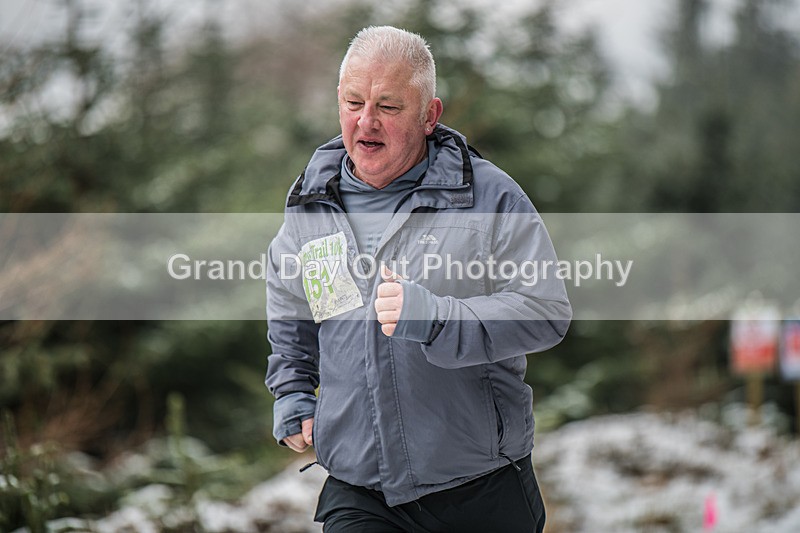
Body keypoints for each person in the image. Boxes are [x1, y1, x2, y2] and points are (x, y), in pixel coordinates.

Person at [265, 25, 571, 532]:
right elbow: (290, 303)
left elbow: (545, 311)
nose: (366, 120)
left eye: (389, 106)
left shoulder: (490, 196)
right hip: (360, 488)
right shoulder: (311, 204)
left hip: (478, 484)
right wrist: (293, 391)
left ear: (430, 115)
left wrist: (438, 318)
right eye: (353, 101)